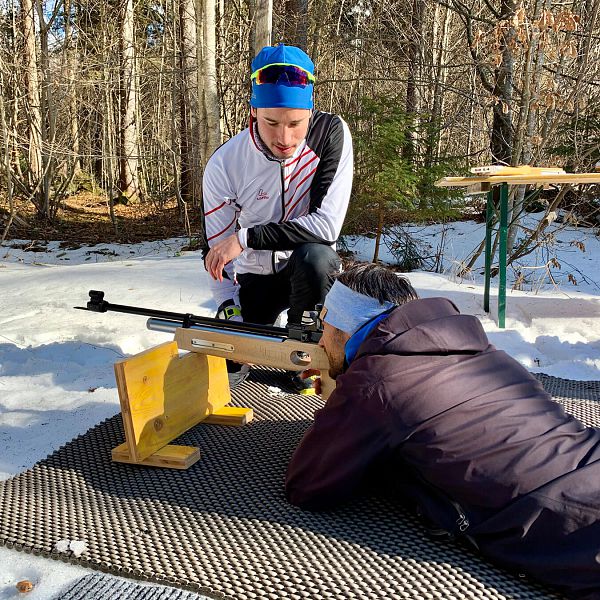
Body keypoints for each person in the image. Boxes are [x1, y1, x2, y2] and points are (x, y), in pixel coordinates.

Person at [286, 262, 600, 600]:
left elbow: (306, 485)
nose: (320, 339)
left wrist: (344, 402)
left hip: (567, 525)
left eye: (325, 327)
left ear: (346, 330)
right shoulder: (486, 351)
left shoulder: (375, 383)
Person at [202, 43, 353, 389]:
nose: (284, 137)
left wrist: (245, 238)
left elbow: (326, 226)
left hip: (307, 269)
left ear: (311, 111)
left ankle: (301, 348)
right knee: (231, 359)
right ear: (253, 111)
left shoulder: (331, 134)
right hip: (256, 276)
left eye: (295, 123)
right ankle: (250, 339)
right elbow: (216, 252)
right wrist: (229, 309)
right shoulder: (225, 163)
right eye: (271, 122)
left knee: (317, 255)